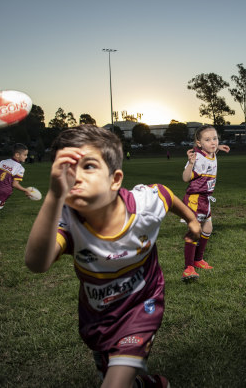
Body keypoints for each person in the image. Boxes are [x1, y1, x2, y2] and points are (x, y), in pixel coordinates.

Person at [25, 125, 201, 388]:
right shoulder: (67, 220)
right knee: (112, 375)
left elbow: (166, 194)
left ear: (115, 179)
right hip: (98, 316)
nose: (75, 176)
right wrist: (53, 195)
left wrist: (192, 220)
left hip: (143, 305)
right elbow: (37, 264)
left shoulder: (143, 206)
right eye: (67, 168)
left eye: (88, 166)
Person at [181, 125, 230, 281]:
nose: (213, 142)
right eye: (208, 140)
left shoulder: (210, 152)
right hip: (195, 199)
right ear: (199, 143)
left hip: (206, 199)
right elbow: (185, 178)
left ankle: (198, 259)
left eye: (215, 138)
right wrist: (190, 164)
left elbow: (212, 151)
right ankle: (189, 268)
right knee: (195, 231)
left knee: (208, 227)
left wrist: (218, 148)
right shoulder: (197, 157)